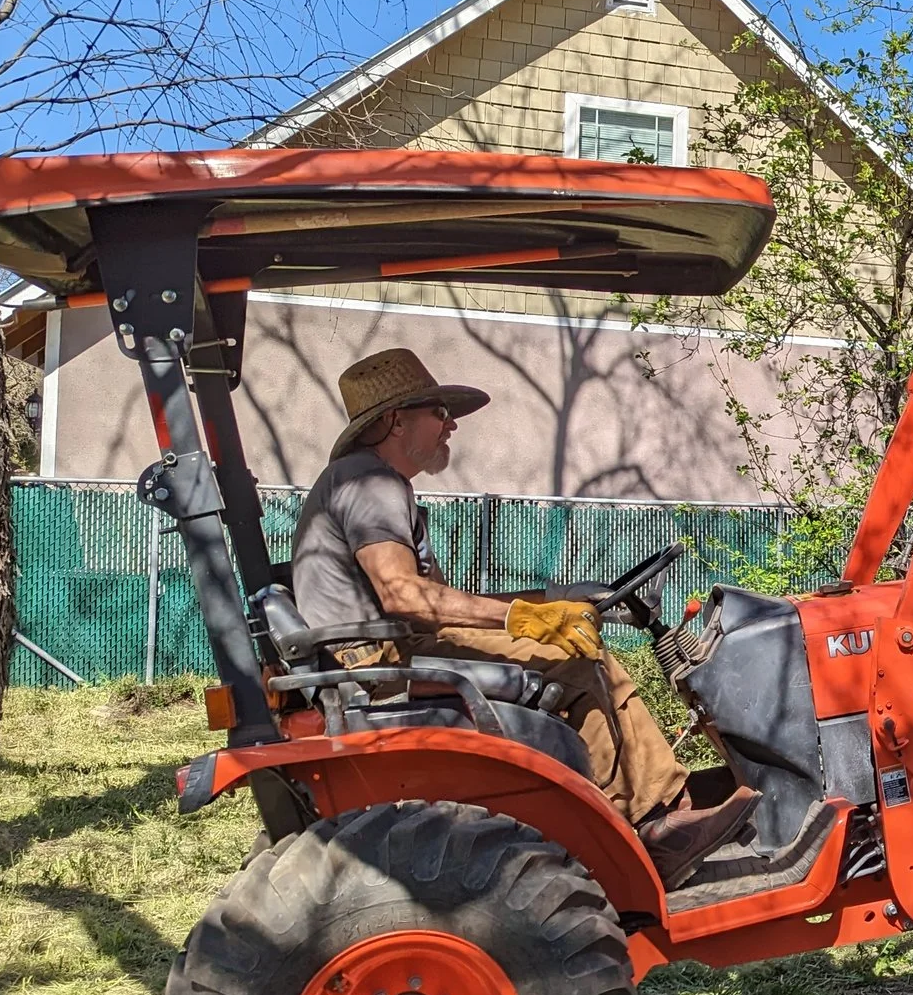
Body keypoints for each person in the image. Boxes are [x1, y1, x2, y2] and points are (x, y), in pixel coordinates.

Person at [289, 348, 754, 886]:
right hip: (378, 661)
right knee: (575, 660)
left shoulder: (369, 482)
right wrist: (525, 619)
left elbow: (436, 601)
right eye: (438, 412)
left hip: (386, 648)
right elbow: (405, 597)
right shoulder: (369, 482)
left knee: (581, 643)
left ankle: (668, 801)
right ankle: (651, 826)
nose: (452, 425)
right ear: (395, 421)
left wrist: (550, 598)